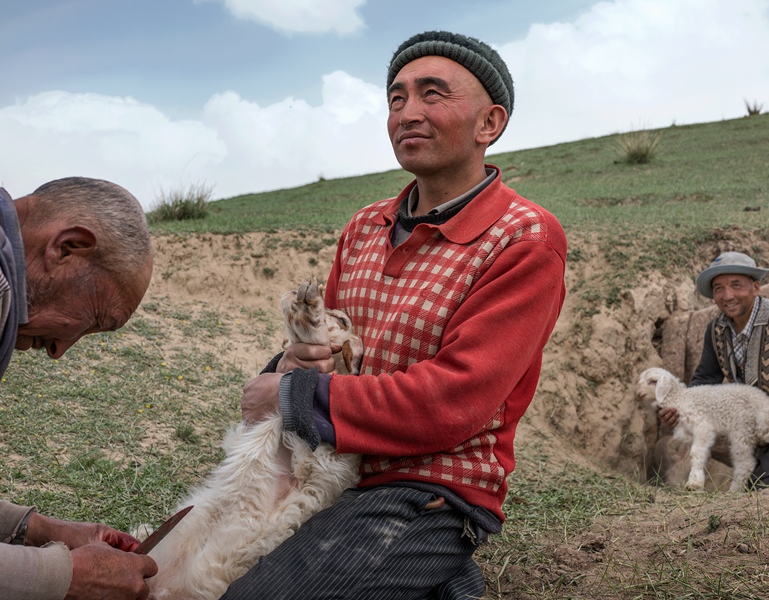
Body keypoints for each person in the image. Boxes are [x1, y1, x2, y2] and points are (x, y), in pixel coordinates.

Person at [226, 30, 567, 599]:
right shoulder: (366, 225)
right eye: (396, 98)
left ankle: (433, 555)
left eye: (433, 94)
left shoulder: (523, 239)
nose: (408, 113)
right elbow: (332, 347)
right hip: (333, 467)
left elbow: (453, 400)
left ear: (489, 123)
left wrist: (292, 397)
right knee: (195, 569)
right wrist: (295, 362)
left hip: (428, 487)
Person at [0, 160, 158, 600]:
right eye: (93, 319)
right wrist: (62, 576)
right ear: (67, 247)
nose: (59, 350)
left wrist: (34, 529)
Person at [658, 251, 769, 488]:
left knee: (764, 492)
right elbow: (706, 377)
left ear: (755, 287)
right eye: (719, 288)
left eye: (736, 285)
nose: (727, 295)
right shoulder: (717, 329)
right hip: (754, 429)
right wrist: (681, 407)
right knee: (749, 486)